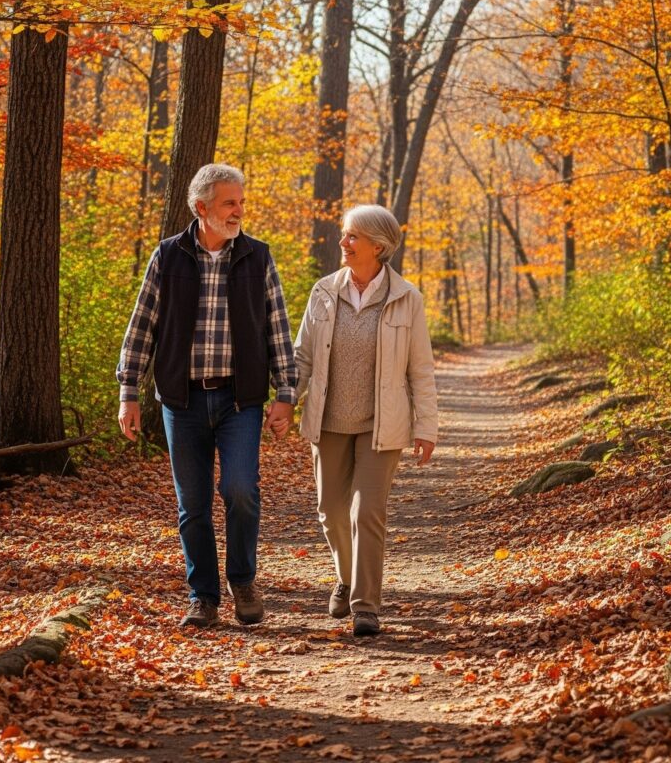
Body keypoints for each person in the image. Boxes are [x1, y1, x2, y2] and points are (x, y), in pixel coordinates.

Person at [117, 163, 296, 628]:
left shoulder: (257, 256)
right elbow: (143, 325)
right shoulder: (168, 256)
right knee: (191, 503)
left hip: (241, 400)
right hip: (183, 401)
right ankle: (203, 595)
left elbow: (277, 327)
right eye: (229, 203)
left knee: (240, 490)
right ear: (202, 208)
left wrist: (286, 392)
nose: (239, 211)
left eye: (240, 202)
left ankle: (243, 579)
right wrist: (128, 390)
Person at [294, 204, 438, 637]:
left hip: (382, 424)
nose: (344, 243)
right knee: (331, 512)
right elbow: (302, 357)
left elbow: (421, 369)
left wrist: (425, 427)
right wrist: (285, 401)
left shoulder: (406, 298)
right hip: (329, 418)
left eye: (352, 236)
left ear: (379, 246)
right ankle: (346, 577)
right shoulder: (323, 291)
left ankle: (366, 606)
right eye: (344, 234)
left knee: (366, 512)